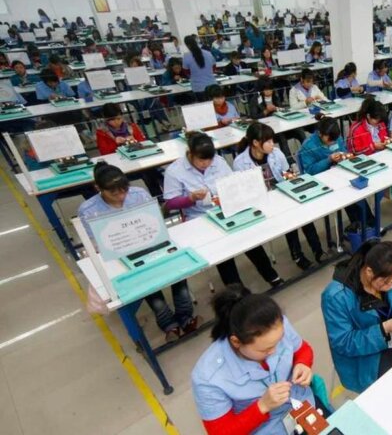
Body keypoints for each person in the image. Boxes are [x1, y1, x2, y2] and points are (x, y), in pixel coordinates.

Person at [78, 163, 199, 342]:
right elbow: (95, 244)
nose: (121, 196)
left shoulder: (139, 194)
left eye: (124, 190)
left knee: (177, 267)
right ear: (98, 188)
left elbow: (155, 223)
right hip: (120, 253)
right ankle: (167, 323)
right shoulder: (88, 210)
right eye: (114, 193)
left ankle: (185, 315)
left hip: (151, 242)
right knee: (146, 280)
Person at [163, 133, 284, 288]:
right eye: (201, 160)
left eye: (209, 159)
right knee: (223, 250)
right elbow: (170, 203)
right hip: (200, 217)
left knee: (249, 238)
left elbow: (232, 183)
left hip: (225, 209)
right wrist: (190, 198)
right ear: (190, 153)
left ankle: (271, 276)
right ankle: (237, 291)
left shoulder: (219, 162)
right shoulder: (175, 171)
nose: (206, 164)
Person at [192, 284, 317, 434]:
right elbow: (221, 432)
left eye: (279, 341)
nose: (275, 350)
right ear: (236, 342)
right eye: (265, 350)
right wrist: (262, 406)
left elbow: (302, 349)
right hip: (265, 428)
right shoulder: (208, 377)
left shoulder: (275, 325)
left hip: (303, 407)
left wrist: (303, 363)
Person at [321, 240, 392, 393]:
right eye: (388, 283)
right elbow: (343, 343)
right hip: (364, 358)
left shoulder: (387, 273)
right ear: (369, 272)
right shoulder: (336, 297)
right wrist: (383, 329)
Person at [233, 122, 326, 270]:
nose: (272, 144)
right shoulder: (240, 163)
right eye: (268, 141)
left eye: (272, 140)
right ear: (255, 143)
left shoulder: (276, 153)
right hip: (261, 202)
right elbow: (243, 190)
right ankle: (297, 255)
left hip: (282, 193)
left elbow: (287, 172)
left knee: (302, 214)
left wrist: (290, 176)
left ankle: (318, 250)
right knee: (289, 219)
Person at [300, 117, 375, 226]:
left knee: (355, 189)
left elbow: (344, 150)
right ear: (320, 133)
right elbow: (310, 171)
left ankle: (367, 224)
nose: (333, 142)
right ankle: (363, 225)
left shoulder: (335, 136)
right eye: (330, 140)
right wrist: (328, 160)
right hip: (323, 181)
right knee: (347, 192)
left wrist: (344, 156)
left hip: (340, 173)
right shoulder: (308, 146)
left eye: (334, 139)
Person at [182, 34, 217, 100]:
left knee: (203, 105)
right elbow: (214, 67)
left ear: (187, 45)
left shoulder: (186, 56)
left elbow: (186, 72)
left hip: (198, 87)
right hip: (212, 85)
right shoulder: (208, 53)